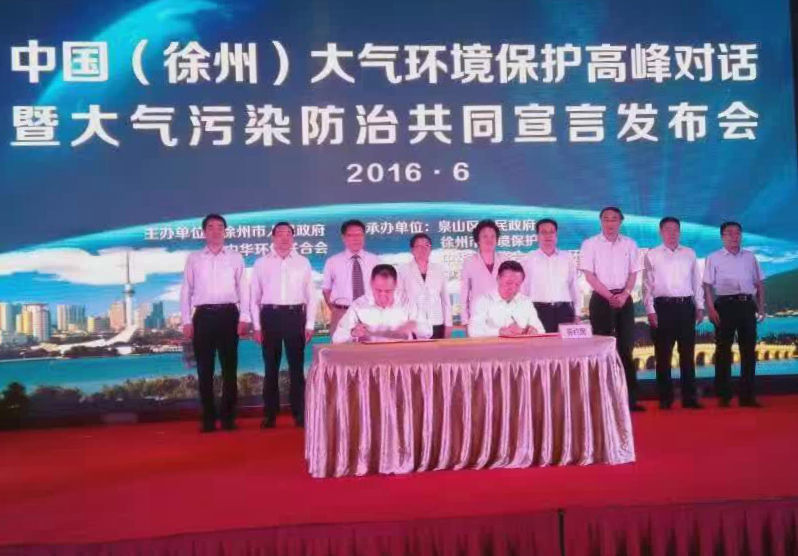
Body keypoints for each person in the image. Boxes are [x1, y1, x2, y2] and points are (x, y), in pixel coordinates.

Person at [180, 214, 250, 432]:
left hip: (229, 315)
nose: (216, 231)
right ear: (204, 232)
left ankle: (228, 418)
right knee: (204, 370)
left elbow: (243, 288)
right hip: (203, 316)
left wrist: (244, 317)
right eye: (211, 227)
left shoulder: (235, 257)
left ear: (225, 232)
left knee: (229, 369)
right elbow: (186, 290)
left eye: (220, 227)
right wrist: (186, 320)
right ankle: (208, 419)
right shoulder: (194, 258)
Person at [250, 222, 316, 429]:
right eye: (280, 234)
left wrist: (310, 324)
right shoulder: (261, 263)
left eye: (288, 234)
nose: (284, 237)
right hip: (270, 317)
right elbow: (254, 298)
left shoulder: (303, 262)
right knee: (271, 368)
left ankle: (300, 413)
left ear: (293, 238)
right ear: (273, 237)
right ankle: (270, 415)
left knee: (297, 369)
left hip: (295, 316)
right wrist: (257, 327)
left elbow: (311, 295)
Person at [579, 206, 644, 411]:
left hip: (624, 299)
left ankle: (630, 399)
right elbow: (589, 276)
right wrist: (609, 296)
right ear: (601, 222)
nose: (610, 223)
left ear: (620, 222)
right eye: (606, 219)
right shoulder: (589, 244)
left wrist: (624, 294)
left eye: (614, 219)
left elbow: (634, 273)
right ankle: (603, 401)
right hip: (600, 299)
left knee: (626, 348)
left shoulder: (630, 244)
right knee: (601, 350)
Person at [643, 217, 704, 409]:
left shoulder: (690, 253)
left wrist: (700, 306)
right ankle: (665, 399)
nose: (672, 233)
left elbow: (697, 281)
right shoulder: (652, 254)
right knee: (663, 356)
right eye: (667, 229)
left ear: (680, 232)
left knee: (687, 354)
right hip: (662, 307)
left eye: (675, 229)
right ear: (661, 232)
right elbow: (646, 286)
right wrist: (650, 310)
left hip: (686, 307)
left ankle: (689, 398)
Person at [703, 221, 766, 408]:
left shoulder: (750, 257)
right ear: (722, 237)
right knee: (723, 350)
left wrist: (761, 307)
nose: (734, 236)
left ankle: (747, 396)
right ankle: (724, 395)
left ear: (741, 236)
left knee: (748, 351)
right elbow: (707, 285)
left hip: (747, 305)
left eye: (737, 233)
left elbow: (759, 283)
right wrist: (710, 309)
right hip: (724, 306)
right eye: (729, 233)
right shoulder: (713, 257)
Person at [332, 264, 432, 343]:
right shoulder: (358, 305)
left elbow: (428, 332)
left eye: (388, 291)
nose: (382, 295)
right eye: (378, 290)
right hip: (370, 359)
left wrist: (415, 326)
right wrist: (352, 333)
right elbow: (336, 338)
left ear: (395, 285)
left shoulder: (407, 302)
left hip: (402, 356)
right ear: (371, 284)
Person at [521, 218, 581, 333]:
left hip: (564, 311)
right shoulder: (528, 259)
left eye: (551, 232)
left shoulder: (567, 257)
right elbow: (524, 289)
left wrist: (577, 313)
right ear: (537, 236)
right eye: (543, 232)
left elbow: (574, 286)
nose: (548, 236)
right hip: (537, 311)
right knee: (540, 343)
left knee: (565, 344)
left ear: (556, 235)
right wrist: (524, 316)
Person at [322, 220, 380, 335]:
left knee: (372, 345)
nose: (355, 239)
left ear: (364, 236)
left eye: (359, 235)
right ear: (343, 238)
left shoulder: (375, 261)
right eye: (351, 235)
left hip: (370, 312)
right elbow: (326, 290)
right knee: (340, 345)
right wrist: (335, 310)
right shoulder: (332, 261)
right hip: (342, 313)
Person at [468, 260, 544, 337]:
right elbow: (474, 331)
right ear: (498, 278)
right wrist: (499, 332)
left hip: (521, 344)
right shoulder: (483, 301)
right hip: (493, 344)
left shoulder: (526, 302)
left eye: (517, 285)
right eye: (508, 283)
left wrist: (534, 331)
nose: (513, 288)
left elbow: (541, 330)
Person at [397, 233, 452, 339]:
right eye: (418, 246)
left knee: (437, 350)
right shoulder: (402, 270)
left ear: (430, 249)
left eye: (426, 245)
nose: (423, 249)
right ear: (412, 250)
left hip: (436, 322)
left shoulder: (439, 269)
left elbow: (445, 299)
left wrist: (448, 324)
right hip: (413, 323)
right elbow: (400, 300)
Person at [460, 219, 508, 330]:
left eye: (492, 236)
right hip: (478, 318)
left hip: (502, 317)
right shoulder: (469, 262)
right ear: (478, 239)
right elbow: (464, 294)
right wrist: (465, 321)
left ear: (497, 239)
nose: (489, 239)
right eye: (485, 236)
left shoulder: (504, 260)